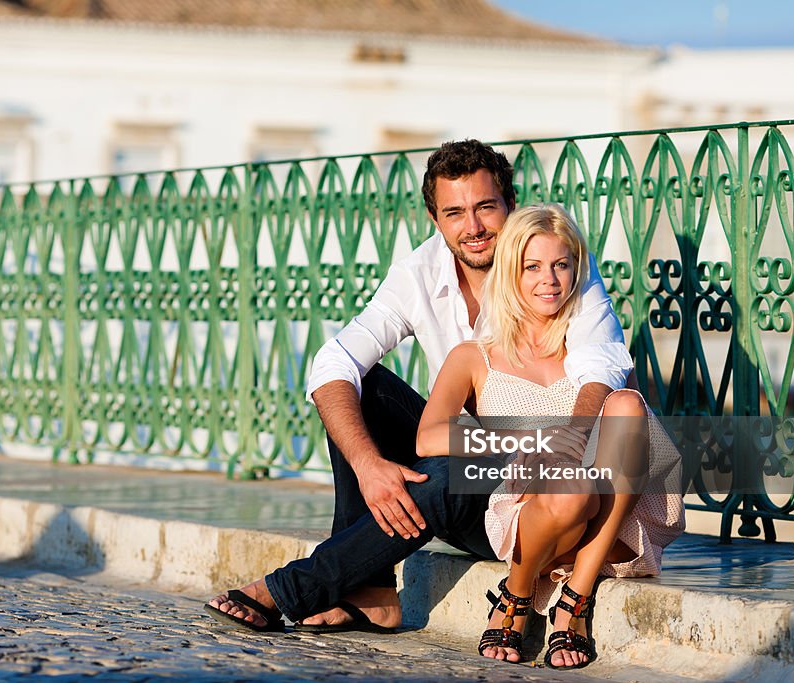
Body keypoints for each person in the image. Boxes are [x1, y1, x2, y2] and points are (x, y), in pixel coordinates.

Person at [205, 140, 632, 633]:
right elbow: (334, 361)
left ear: (510, 205)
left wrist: (567, 439)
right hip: (459, 455)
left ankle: (291, 589)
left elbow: (600, 363)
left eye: (485, 208)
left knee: (447, 474)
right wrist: (369, 467)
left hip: (543, 480)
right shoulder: (418, 273)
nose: (472, 227)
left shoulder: (554, 265)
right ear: (435, 219)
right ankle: (371, 591)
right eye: (455, 213)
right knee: (358, 387)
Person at [416, 203, 685, 669]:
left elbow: (633, 441)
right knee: (570, 489)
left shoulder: (592, 347)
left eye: (562, 265)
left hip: (612, 527)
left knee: (624, 405)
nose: (550, 280)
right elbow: (428, 439)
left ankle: (572, 598)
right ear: (509, 272)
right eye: (533, 266)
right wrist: (529, 441)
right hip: (533, 517)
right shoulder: (473, 356)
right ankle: (519, 590)